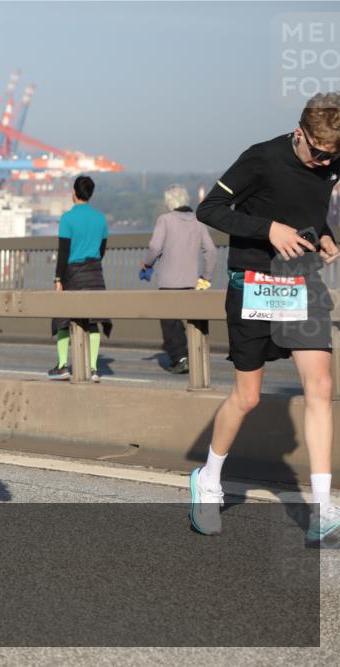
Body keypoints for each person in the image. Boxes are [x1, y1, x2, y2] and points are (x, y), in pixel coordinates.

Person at [193, 92, 340, 542]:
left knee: (321, 385)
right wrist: (269, 229)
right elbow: (209, 210)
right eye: (317, 153)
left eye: (331, 157)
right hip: (254, 281)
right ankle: (209, 477)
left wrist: (328, 236)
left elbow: (307, 206)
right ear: (300, 134)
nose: (323, 163)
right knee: (249, 396)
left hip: (301, 278)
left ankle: (322, 506)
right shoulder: (261, 158)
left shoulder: (330, 157)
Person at [141, 184, 217, 374]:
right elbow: (211, 250)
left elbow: (155, 247)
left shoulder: (165, 220)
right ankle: (195, 356)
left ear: (169, 202)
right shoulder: (198, 221)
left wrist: (147, 264)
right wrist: (205, 277)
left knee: (170, 323)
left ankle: (180, 358)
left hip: (169, 283)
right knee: (195, 322)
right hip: (193, 283)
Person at [48, 175, 111, 382]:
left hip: (73, 272)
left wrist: (58, 278)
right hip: (94, 271)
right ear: (90, 194)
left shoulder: (67, 218)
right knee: (92, 319)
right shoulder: (101, 219)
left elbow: (63, 251)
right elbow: (102, 250)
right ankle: (93, 368)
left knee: (63, 319)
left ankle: (62, 365)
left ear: (74, 192)